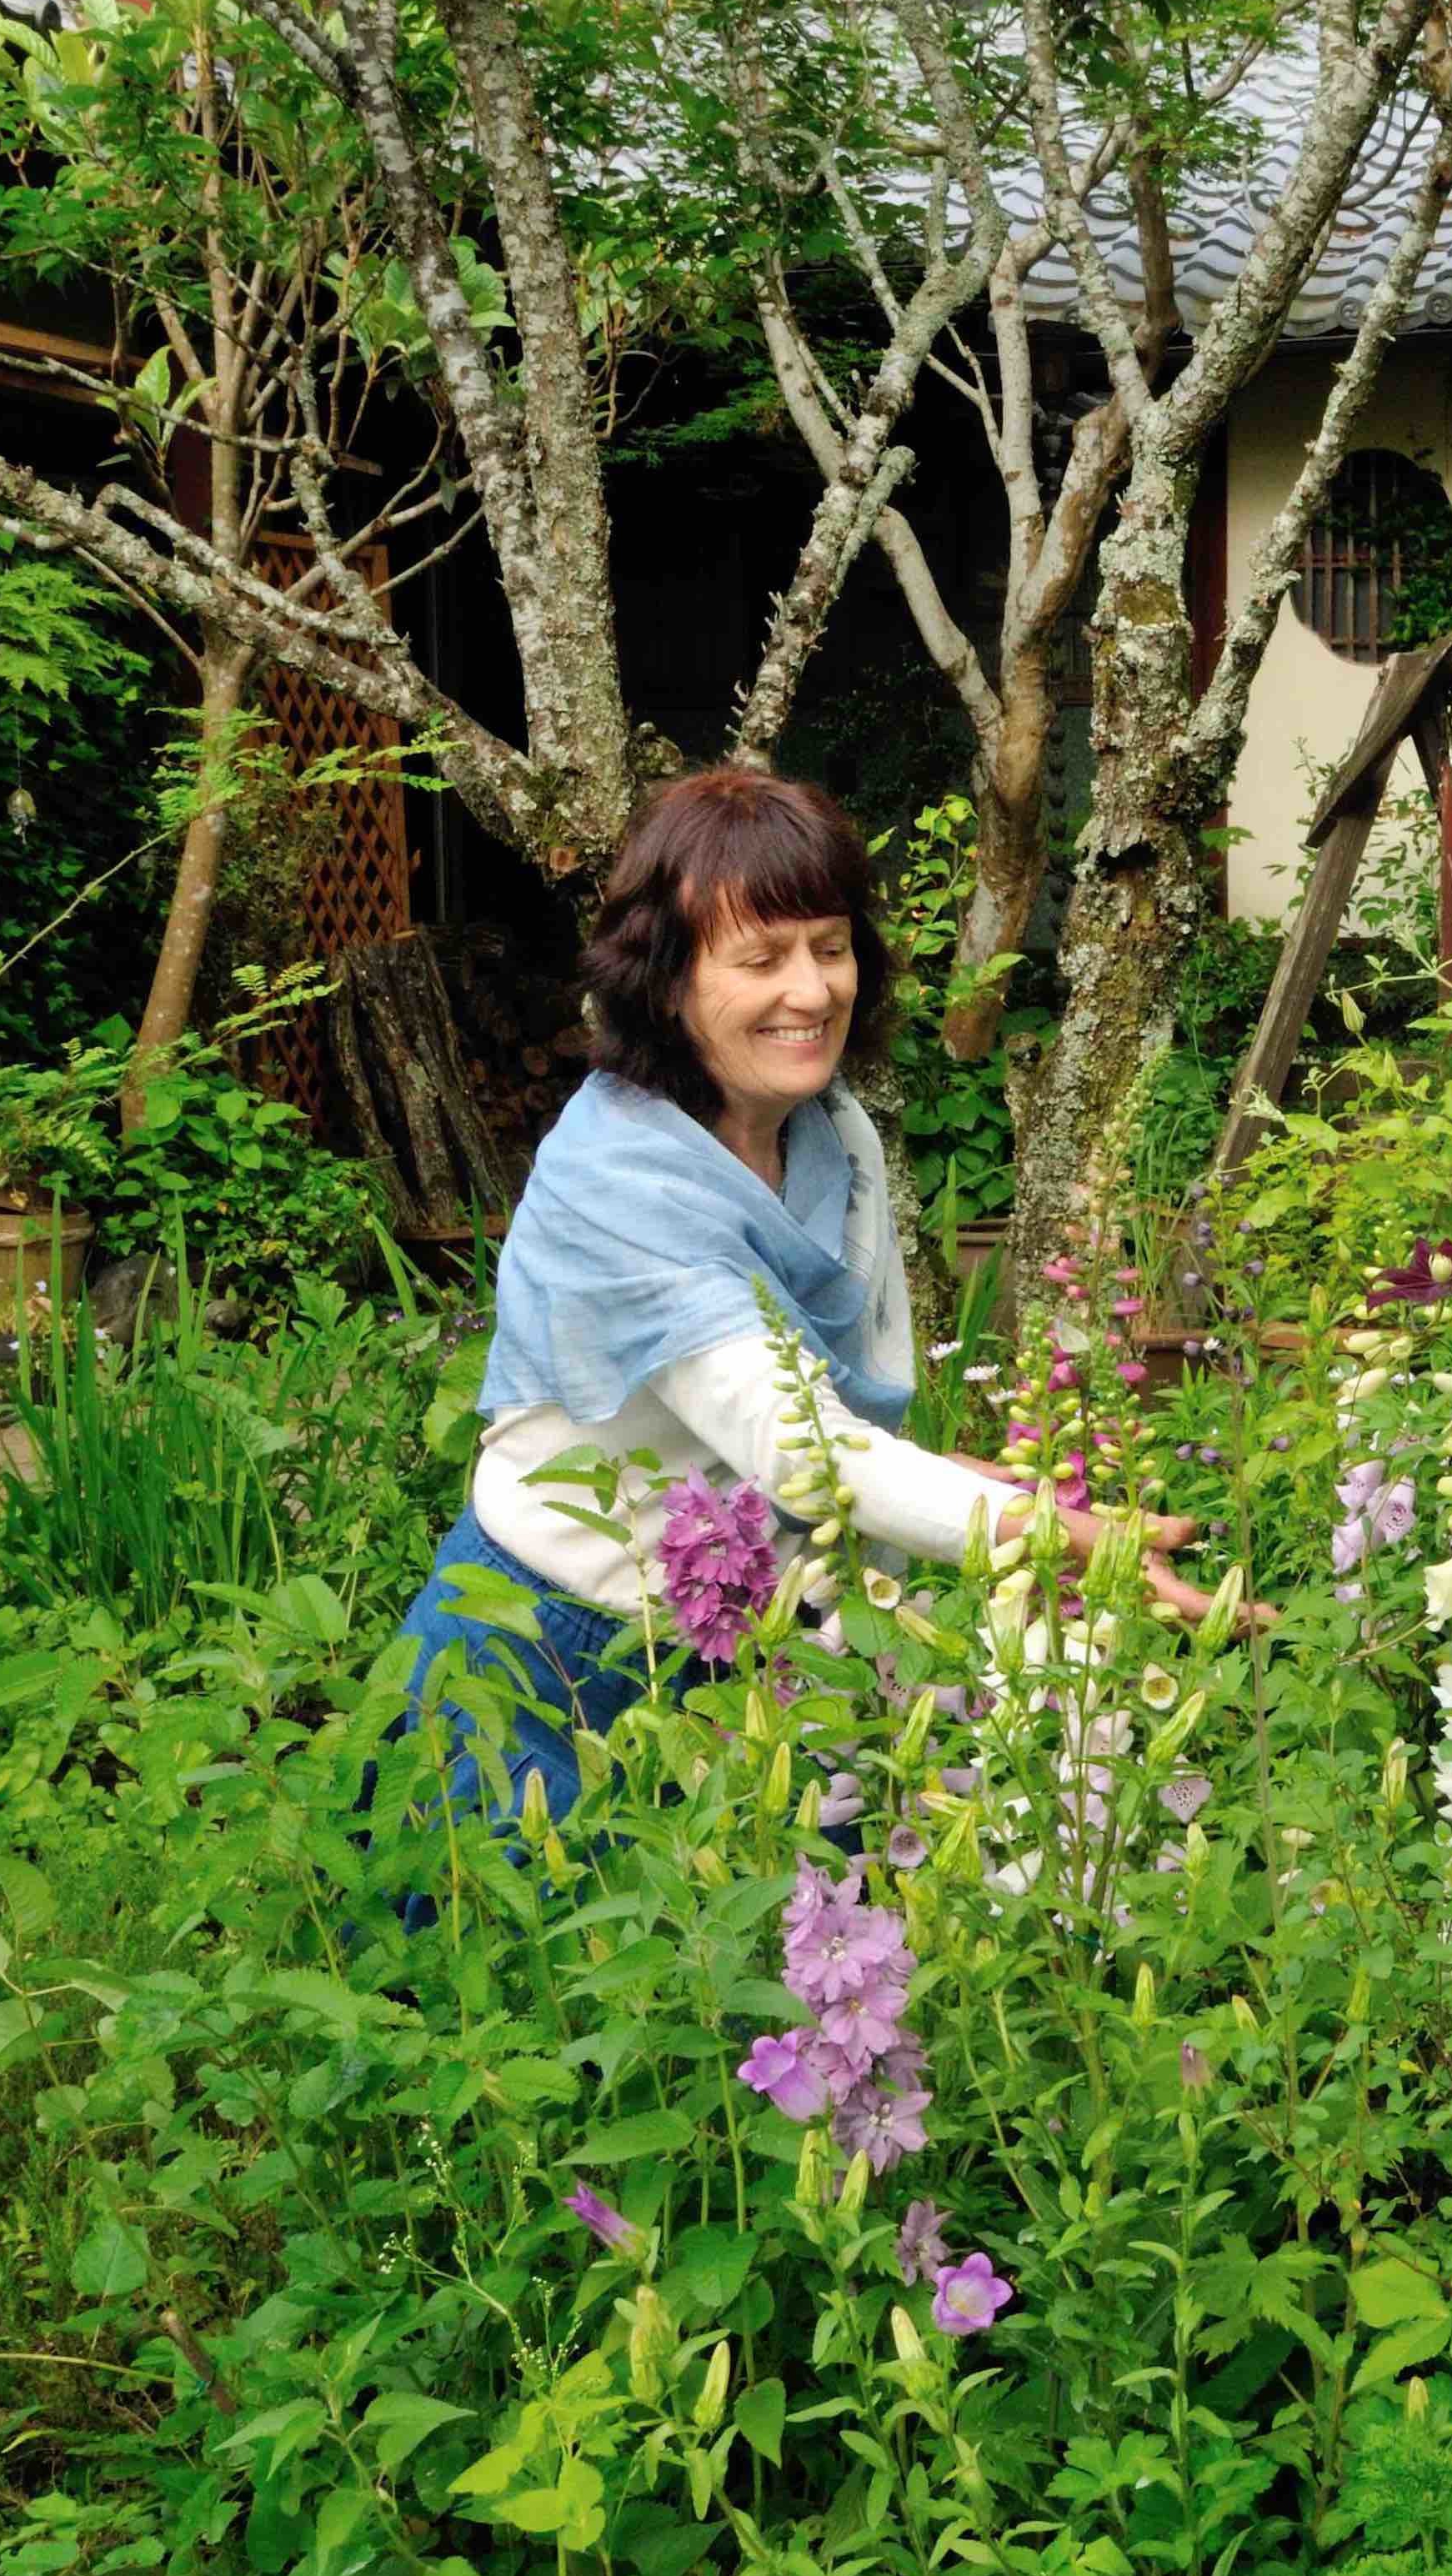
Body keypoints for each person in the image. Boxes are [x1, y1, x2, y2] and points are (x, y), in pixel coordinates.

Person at [393, 765, 1213, 1835]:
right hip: (555, 1651)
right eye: (761, 959)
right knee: (515, 1975)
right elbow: (807, 1456)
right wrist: (1057, 1539)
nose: (813, 991)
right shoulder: (617, 1179)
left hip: (769, 1638)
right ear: (667, 980)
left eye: (830, 948)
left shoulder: (833, 1136)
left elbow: (841, 1425)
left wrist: (974, 1493)